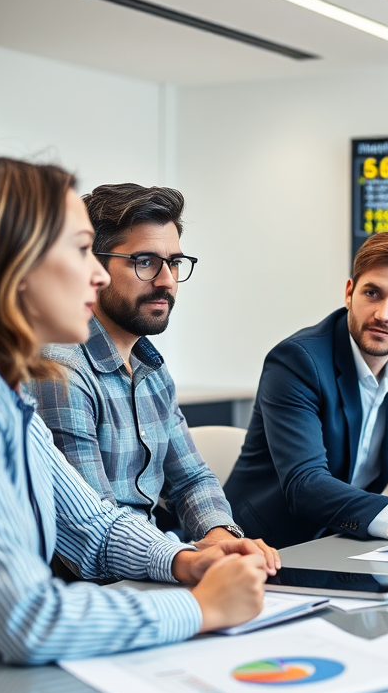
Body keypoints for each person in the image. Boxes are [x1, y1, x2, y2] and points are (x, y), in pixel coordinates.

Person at [0, 154, 268, 663]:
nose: (98, 276)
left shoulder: (1, 389)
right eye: (82, 250)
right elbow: (29, 620)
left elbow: (92, 525)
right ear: (12, 261)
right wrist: (199, 610)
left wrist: (185, 560)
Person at [28, 183, 278, 571]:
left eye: (174, 262)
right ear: (93, 267)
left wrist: (220, 538)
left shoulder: (151, 368)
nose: (166, 281)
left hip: (154, 564)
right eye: (145, 261)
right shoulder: (62, 371)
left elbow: (191, 477)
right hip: (99, 582)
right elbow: (92, 527)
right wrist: (186, 562)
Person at [225, 231, 388, 549]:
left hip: (346, 540)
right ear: (349, 293)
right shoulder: (297, 361)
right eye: (372, 293)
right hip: (266, 545)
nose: (384, 314)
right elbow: (306, 485)